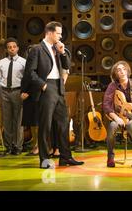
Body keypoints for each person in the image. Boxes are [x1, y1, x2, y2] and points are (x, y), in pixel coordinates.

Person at [24, 21, 83, 168]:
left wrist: (62, 52)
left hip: (59, 86)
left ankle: (65, 157)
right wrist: (42, 85)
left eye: (61, 33)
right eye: (58, 33)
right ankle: (44, 159)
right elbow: (30, 72)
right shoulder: (37, 49)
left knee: (63, 123)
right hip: (47, 86)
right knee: (45, 126)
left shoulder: (58, 48)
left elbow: (67, 66)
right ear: (49, 33)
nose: (60, 36)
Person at [0, 38, 26, 155]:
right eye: (9, 47)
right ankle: (8, 146)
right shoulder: (1, 62)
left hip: (18, 91)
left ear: (17, 48)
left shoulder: (23, 62)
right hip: (5, 92)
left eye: (14, 46)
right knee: (7, 120)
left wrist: (25, 92)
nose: (12, 49)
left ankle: (18, 146)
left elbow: (26, 79)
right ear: (6, 49)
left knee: (18, 120)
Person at [21, 45, 39, 156]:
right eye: (29, 51)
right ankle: (34, 145)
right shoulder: (27, 63)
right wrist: (22, 92)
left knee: (37, 122)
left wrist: (29, 92)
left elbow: (37, 80)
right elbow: (25, 79)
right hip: (27, 97)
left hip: (36, 95)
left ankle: (38, 146)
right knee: (31, 122)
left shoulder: (40, 64)